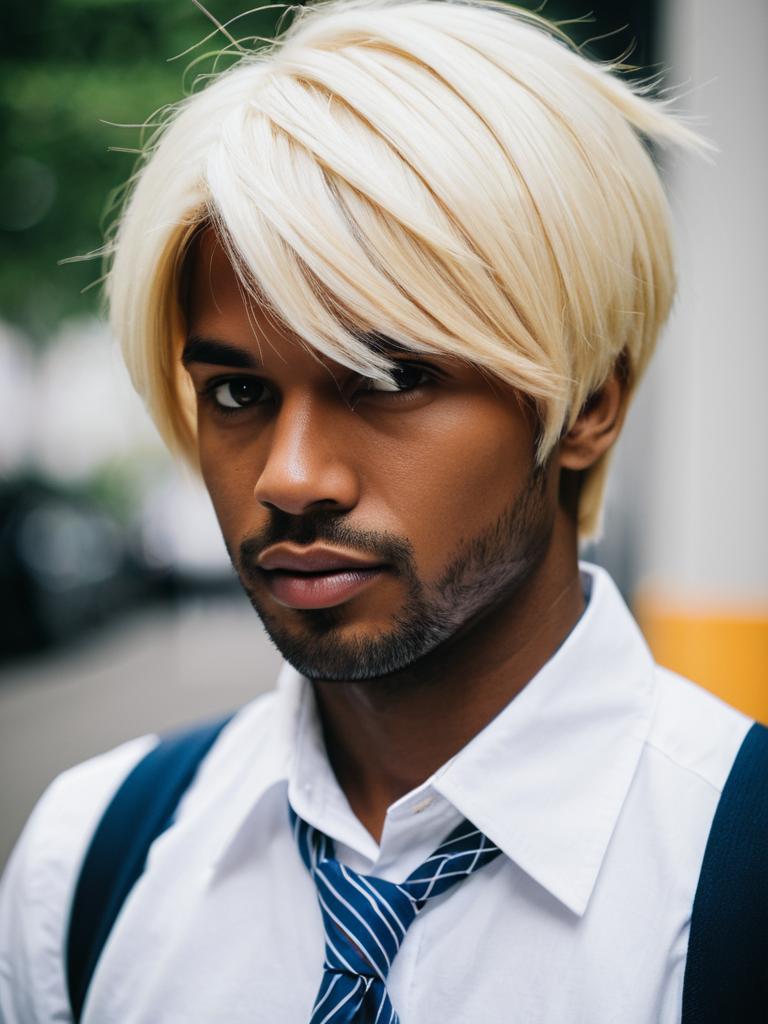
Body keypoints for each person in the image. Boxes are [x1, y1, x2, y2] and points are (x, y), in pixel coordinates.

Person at [0, 1, 758, 1021]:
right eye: (237, 391)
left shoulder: (734, 874)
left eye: (389, 375)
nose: (292, 476)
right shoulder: (92, 859)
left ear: (588, 402)